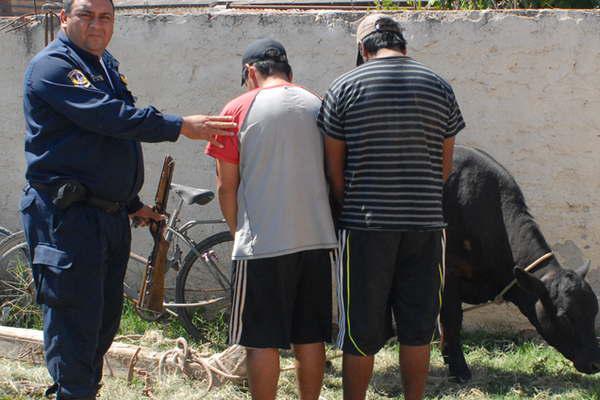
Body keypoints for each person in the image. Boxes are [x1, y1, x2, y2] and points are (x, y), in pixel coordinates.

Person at [20, 0, 236, 398]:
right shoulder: (54, 67)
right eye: (85, 15)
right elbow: (109, 117)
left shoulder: (102, 64)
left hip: (107, 215)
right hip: (67, 218)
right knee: (75, 325)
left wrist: (133, 203)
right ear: (64, 18)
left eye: (105, 17)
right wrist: (180, 126)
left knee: (102, 323)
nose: (96, 25)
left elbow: (102, 144)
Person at [317, 14, 466, 400]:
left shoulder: (344, 87)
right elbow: (445, 167)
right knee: (418, 329)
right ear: (403, 45)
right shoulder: (439, 87)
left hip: (365, 226)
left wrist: (349, 202)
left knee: (359, 332)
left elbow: (334, 169)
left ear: (363, 49)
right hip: (426, 224)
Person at [205, 38, 337, 400]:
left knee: (259, 340)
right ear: (288, 71)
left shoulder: (236, 109)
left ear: (250, 72)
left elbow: (226, 186)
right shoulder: (318, 105)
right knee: (310, 335)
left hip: (263, 242)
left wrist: (238, 233)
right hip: (317, 238)